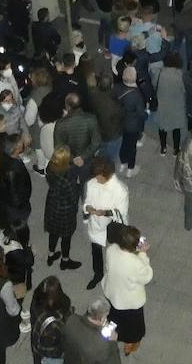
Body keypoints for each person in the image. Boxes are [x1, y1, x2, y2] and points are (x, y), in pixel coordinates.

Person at [103, 224, 153, 356]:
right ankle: (129, 342)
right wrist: (142, 254)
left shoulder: (111, 250)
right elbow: (147, 276)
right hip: (130, 301)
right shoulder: (135, 263)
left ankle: (107, 333)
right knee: (134, 328)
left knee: (114, 316)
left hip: (113, 293)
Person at [84, 156, 130, 291]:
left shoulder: (120, 189)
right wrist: (88, 208)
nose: (96, 180)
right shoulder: (92, 183)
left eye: (99, 177)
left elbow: (122, 212)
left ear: (107, 175)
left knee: (117, 252)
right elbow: (87, 201)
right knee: (96, 251)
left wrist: (104, 213)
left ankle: (117, 276)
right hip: (97, 224)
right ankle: (98, 274)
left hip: (114, 226)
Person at [44, 145, 83, 271]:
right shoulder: (68, 179)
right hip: (65, 211)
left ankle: (51, 255)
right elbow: (73, 198)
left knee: (53, 233)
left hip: (52, 205)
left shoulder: (50, 166)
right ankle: (65, 261)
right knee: (66, 237)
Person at [60, 296, 122, 364]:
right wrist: (113, 342)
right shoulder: (103, 346)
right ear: (102, 319)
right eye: (106, 316)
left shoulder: (71, 319)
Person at [29, 275, 72, 364]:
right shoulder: (53, 324)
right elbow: (51, 350)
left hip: (38, 340)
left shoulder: (36, 300)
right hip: (49, 353)